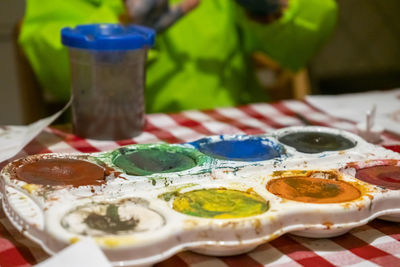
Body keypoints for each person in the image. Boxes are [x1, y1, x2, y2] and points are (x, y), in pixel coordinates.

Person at [19, 0, 337, 113]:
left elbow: (311, 33)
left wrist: (275, 6)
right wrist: (122, 28)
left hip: (235, 133)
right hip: (115, 135)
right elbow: (55, 69)